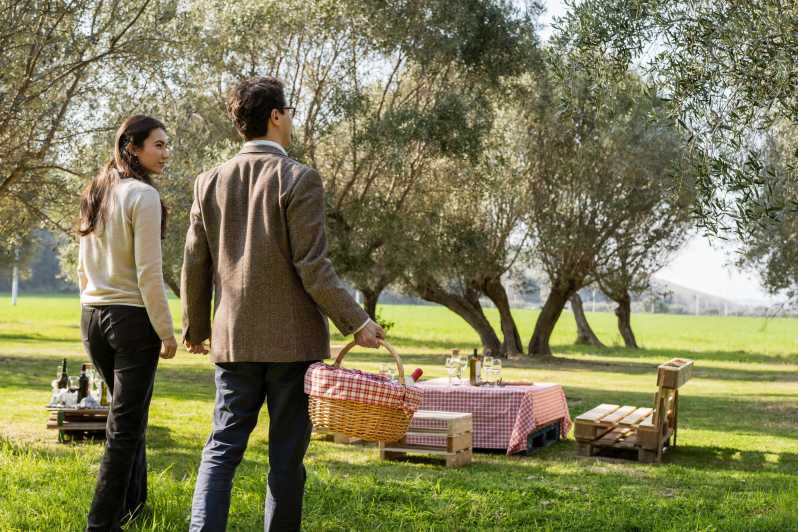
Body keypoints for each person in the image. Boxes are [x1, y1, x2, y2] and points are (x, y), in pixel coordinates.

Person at [183, 76, 385, 531]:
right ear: (275, 116)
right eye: (289, 112)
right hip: (293, 345)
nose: (291, 120)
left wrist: (196, 328)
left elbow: (195, 262)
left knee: (221, 448)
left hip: (234, 340)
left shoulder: (207, 182)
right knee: (286, 456)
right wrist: (357, 323)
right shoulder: (299, 178)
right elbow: (313, 266)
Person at [77, 115, 178, 531]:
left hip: (92, 319)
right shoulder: (143, 196)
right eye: (158, 145)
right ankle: (102, 523)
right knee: (125, 426)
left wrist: (90, 303)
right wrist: (166, 331)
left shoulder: (96, 191)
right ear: (132, 148)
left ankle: (134, 505)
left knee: (129, 417)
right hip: (132, 321)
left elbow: (82, 266)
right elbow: (149, 273)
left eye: (167, 145)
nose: (166, 153)